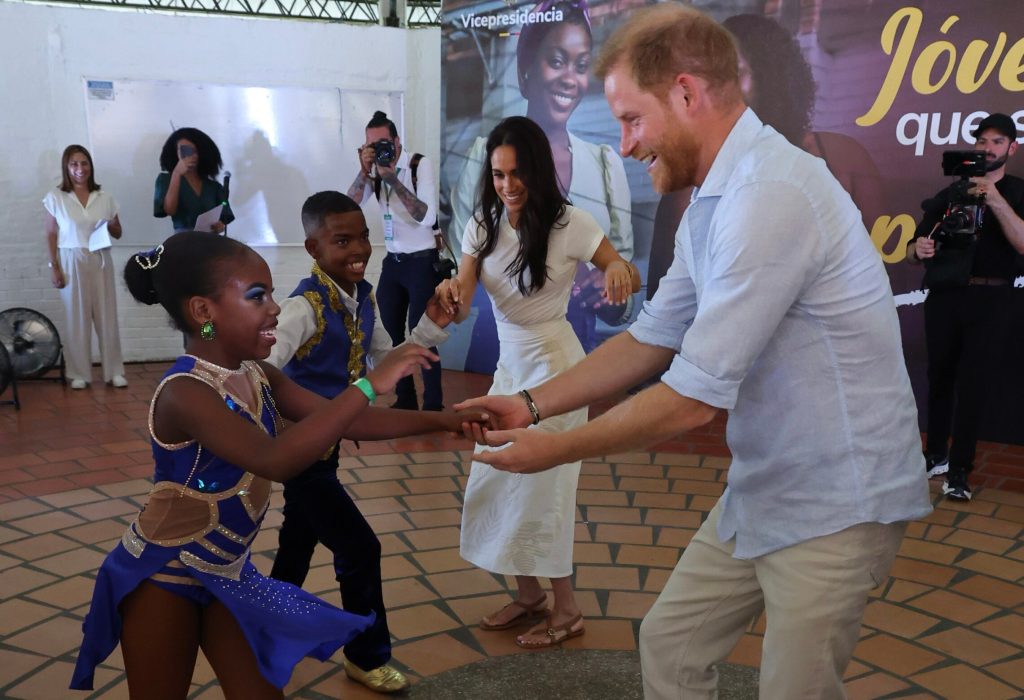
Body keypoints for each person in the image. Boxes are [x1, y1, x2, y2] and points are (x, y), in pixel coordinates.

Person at [453, 7, 931, 698]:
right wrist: (528, 405)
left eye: (631, 120)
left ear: (686, 94)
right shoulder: (718, 193)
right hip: (767, 485)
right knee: (671, 644)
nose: (623, 146)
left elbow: (692, 399)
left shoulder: (769, 192)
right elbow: (652, 335)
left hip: (839, 501)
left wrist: (551, 449)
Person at [69, 231, 467, 698]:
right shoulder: (184, 391)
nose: (275, 307)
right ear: (204, 312)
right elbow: (275, 460)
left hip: (227, 572)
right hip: (161, 575)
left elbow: (348, 424)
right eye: (258, 296)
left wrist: (447, 421)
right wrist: (367, 385)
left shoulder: (258, 374)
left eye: (272, 294)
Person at [436, 116, 639, 648]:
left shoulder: (570, 222)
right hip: (510, 372)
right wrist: (451, 296)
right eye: (499, 175)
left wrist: (619, 272)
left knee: (543, 492)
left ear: (537, 170)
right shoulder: (483, 222)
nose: (508, 185)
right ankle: (529, 596)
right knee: (496, 477)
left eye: (517, 173)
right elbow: (461, 301)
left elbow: (621, 266)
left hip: (558, 372)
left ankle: (567, 609)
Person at [264, 191, 461, 693]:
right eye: (342, 240)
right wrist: (301, 417)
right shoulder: (303, 307)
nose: (358, 249)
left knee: (297, 544)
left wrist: (432, 327)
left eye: (364, 237)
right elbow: (262, 370)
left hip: (326, 450)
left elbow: (386, 362)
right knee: (361, 548)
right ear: (313, 248)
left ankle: (264, 629)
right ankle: (366, 655)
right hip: (302, 452)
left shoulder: (364, 297)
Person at [648, 12, 884, 299]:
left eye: (734, 73)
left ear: (772, 76)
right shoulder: (687, 186)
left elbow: (876, 285)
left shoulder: (845, 159)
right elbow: (662, 305)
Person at [450, 0, 635, 366]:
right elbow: (465, 278)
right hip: (497, 348)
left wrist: (611, 288)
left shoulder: (604, 167)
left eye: (581, 65)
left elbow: (624, 278)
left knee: (564, 424)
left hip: (574, 348)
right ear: (525, 71)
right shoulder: (480, 158)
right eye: (556, 60)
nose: (570, 77)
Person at [906, 113, 1024, 501]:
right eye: (982, 140)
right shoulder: (952, 192)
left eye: (996, 141)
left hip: (991, 299)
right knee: (939, 378)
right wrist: (918, 249)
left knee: (973, 385)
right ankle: (935, 455)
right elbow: (917, 244)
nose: (987, 147)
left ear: (1011, 148)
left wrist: (994, 197)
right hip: (944, 296)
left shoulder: (1018, 191)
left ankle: (959, 471)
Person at [347, 111, 443, 411]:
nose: (379, 151)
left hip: (422, 262)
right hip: (394, 261)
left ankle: (433, 404)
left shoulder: (418, 164)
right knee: (389, 331)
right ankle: (405, 400)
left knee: (422, 332)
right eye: (371, 146)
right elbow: (349, 206)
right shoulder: (374, 169)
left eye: (384, 143)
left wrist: (393, 180)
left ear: (398, 140)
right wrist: (365, 171)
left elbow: (426, 217)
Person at [43, 145, 127, 390]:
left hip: (100, 258)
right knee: (76, 317)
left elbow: (118, 232)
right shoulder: (56, 197)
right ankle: (79, 373)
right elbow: (50, 233)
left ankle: (114, 372)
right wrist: (54, 266)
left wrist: (111, 224)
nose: (80, 169)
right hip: (71, 258)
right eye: (74, 164)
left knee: (106, 316)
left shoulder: (105, 197)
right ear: (67, 167)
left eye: (84, 163)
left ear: (91, 166)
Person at [154, 127, 235, 233]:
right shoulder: (165, 180)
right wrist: (176, 174)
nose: (192, 156)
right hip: (182, 241)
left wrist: (220, 225)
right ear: (176, 152)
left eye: (196, 151)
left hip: (211, 240)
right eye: (185, 151)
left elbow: (224, 215)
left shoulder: (214, 187)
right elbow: (169, 210)